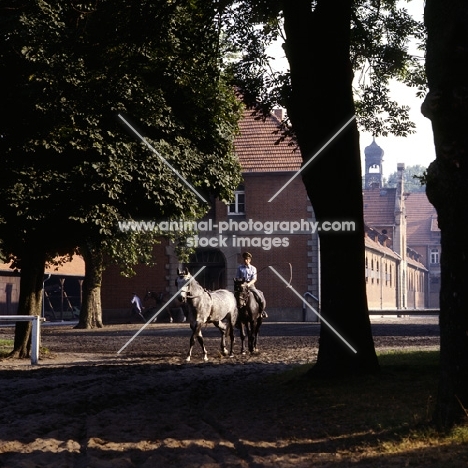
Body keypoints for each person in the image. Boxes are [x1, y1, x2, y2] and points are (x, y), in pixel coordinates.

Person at [236, 252, 267, 318]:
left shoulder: (253, 268)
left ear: (250, 260)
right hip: (242, 286)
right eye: (245, 259)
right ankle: (235, 314)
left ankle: (262, 312)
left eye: (247, 259)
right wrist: (241, 284)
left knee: (260, 298)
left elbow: (254, 279)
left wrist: (248, 284)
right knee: (236, 298)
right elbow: (238, 277)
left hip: (251, 286)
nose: (246, 261)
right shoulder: (240, 268)